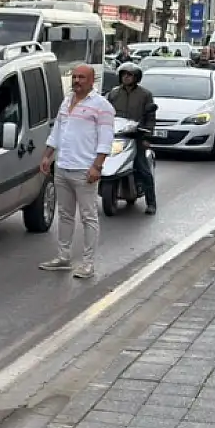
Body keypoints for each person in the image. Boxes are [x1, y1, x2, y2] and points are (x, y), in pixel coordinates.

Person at [39, 64, 115, 279]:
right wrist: (47, 155)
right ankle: (63, 257)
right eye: (74, 77)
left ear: (92, 81)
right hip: (62, 166)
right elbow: (57, 132)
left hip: (85, 170)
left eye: (82, 77)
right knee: (64, 214)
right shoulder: (66, 101)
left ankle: (88, 263)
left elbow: (106, 139)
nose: (77, 81)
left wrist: (97, 166)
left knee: (88, 217)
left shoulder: (102, 106)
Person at [106, 62, 159, 215]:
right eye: (123, 74)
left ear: (136, 77)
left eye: (129, 75)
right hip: (116, 135)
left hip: (136, 136)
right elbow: (106, 113)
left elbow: (150, 117)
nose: (126, 77)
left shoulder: (145, 94)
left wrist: (146, 135)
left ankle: (151, 203)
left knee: (142, 168)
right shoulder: (114, 93)